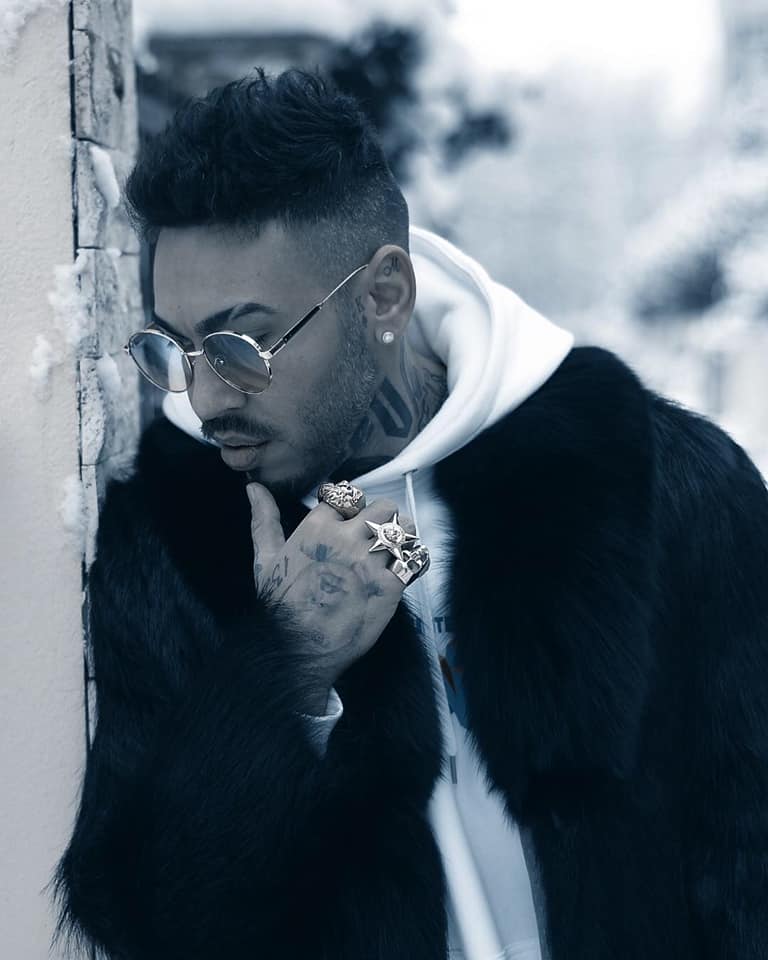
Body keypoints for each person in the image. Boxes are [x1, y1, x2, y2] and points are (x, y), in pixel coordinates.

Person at [51, 68, 768, 960]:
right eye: (180, 347)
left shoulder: (661, 487)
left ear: (384, 296)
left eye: (243, 343)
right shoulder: (174, 536)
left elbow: (748, 855)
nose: (205, 396)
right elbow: (144, 922)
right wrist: (287, 665)